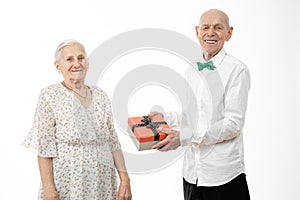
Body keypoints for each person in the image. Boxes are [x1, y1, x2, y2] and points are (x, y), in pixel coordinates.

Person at [152, 9, 251, 200]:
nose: (210, 33)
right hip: (191, 174)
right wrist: (163, 117)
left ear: (229, 33)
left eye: (218, 28)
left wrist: (184, 137)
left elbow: (233, 124)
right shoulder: (191, 69)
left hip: (223, 176)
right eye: (205, 27)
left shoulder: (237, 70)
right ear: (197, 31)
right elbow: (190, 115)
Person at [22, 40, 132, 200]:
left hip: (103, 182)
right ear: (58, 66)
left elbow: (113, 142)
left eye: (81, 58)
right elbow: (45, 148)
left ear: (87, 62)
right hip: (68, 182)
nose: (76, 63)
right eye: (69, 59)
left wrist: (125, 180)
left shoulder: (100, 95)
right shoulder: (49, 96)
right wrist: (48, 189)